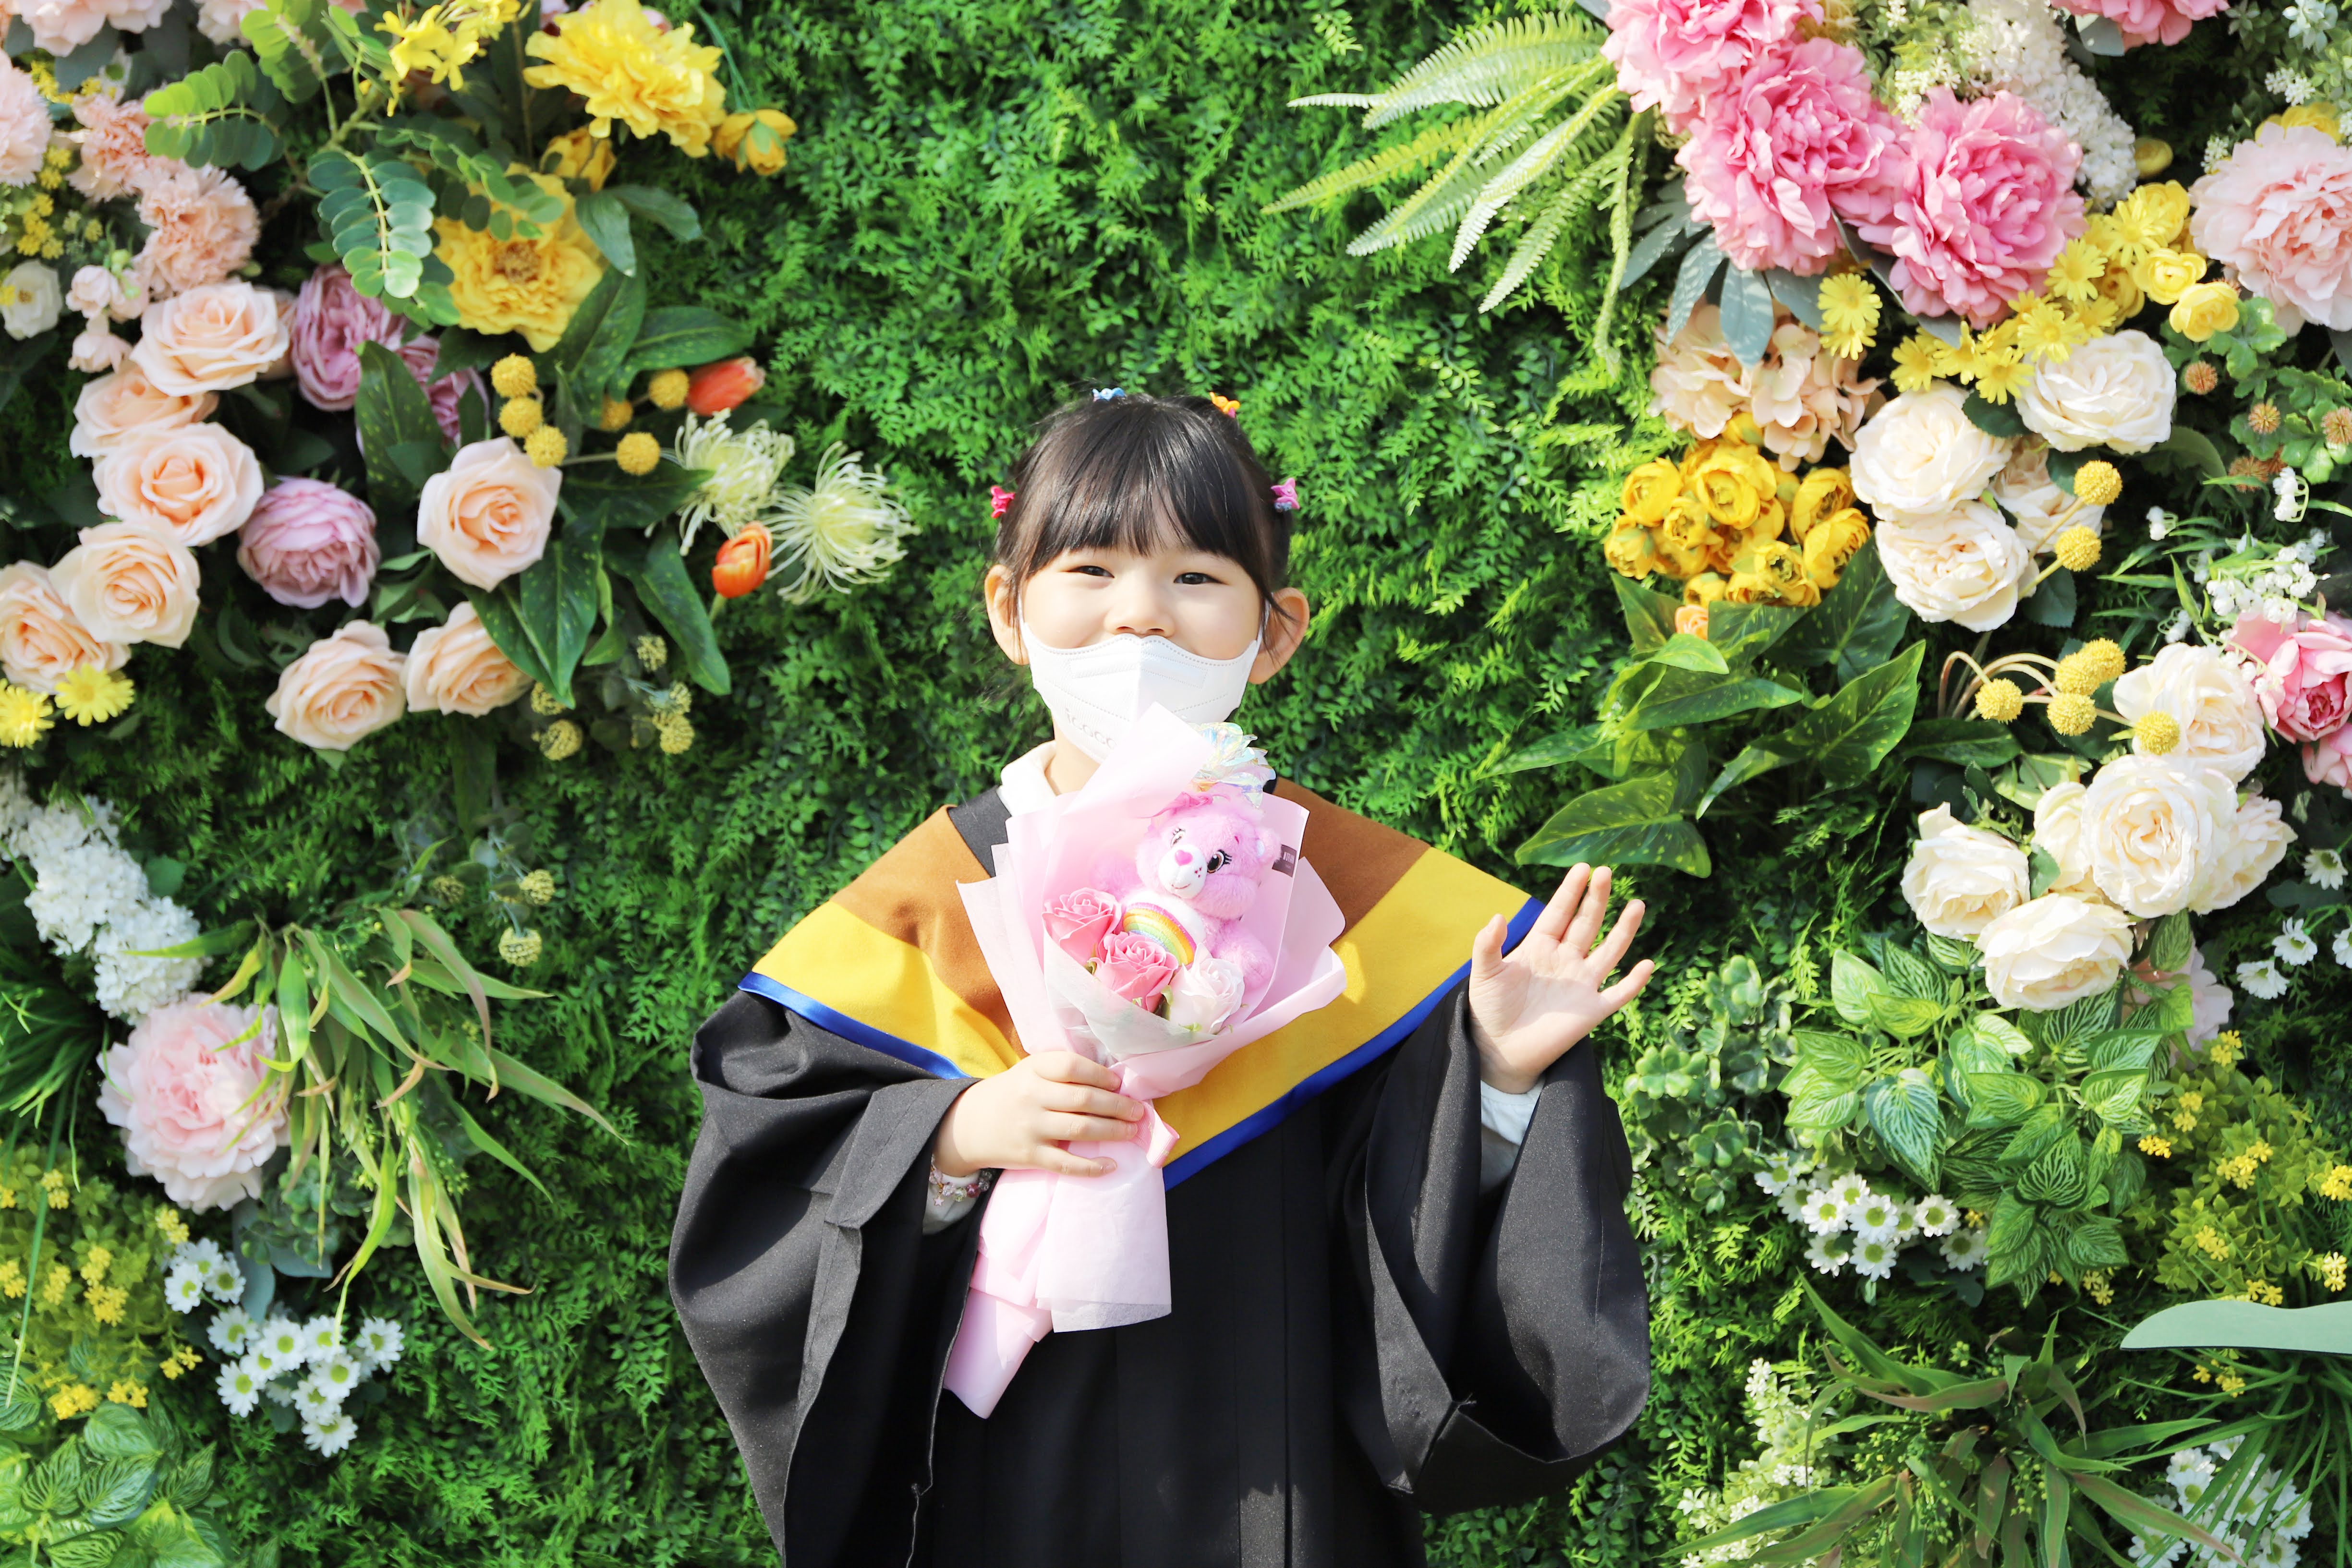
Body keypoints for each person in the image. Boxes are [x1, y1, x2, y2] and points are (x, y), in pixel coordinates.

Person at [670, 391, 1653, 1568]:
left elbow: (1413, 1265)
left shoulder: (1364, 912)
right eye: (1090, 569)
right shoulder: (919, 913)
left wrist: (1492, 1083)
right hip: (1003, 1494)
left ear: (1275, 631)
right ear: (1007, 609)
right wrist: (950, 1139)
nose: (1139, 616)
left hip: (1284, 1495)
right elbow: (764, 1213)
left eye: (1195, 576)